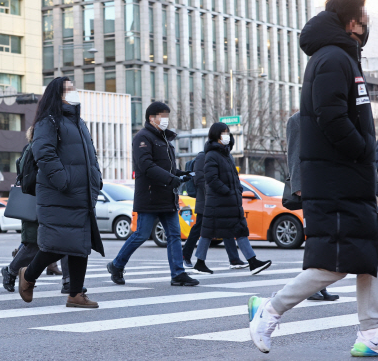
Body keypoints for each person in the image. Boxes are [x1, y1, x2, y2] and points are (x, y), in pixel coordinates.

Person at [249, 0, 378, 355]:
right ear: (352, 23)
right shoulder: (333, 59)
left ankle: (371, 334)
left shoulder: (341, 58)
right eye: (365, 18)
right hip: (336, 179)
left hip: (348, 178)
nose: (368, 23)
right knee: (334, 264)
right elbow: (332, 117)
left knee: (368, 254)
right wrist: (365, 149)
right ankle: (269, 310)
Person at [18, 77, 104, 308]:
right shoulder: (48, 121)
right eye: (67, 90)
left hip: (82, 193)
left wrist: (96, 179)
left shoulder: (79, 123)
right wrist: (62, 181)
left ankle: (75, 293)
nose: (72, 93)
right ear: (56, 95)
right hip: (60, 193)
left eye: (73, 89)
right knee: (57, 243)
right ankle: (27, 276)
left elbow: (91, 156)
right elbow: (43, 153)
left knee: (80, 244)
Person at [107, 102, 199, 287]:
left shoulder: (164, 138)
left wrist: (180, 174)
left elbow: (168, 166)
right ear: (151, 118)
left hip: (167, 195)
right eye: (162, 115)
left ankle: (178, 274)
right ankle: (117, 265)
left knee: (174, 234)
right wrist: (171, 179)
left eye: (167, 115)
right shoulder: (142, 137)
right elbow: (146, 166)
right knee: (141, 234)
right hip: (149, 195)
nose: (166, 119)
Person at [191, 123, 271, 275]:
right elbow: (211, 179)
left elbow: (234, 177)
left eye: (227, 132)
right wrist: (227, 192)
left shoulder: (226, 155)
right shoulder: (212, 155)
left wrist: (238, 190)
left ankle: (252, 262)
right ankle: (200, 263)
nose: (226, 135)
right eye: (223, 132)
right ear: (216, 135)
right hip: (218, 202)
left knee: (239, 230)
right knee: (208, 232)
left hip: (230, 202)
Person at [1, 127, 74, 294]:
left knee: (67, 241)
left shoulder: (47, 148)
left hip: (50, 200)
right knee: (33, 244)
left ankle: (69, 281)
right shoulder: (34, 149)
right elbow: (30, 178)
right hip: (36, 202)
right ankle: (11, 271)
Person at [286, 111, 339, 301]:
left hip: (328, 188)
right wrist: (299, 188)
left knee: (326, 238)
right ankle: (311, 287)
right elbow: (293, 154)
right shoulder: (297, 120)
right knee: (315, 239)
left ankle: (320, 284)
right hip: (310, 188)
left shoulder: (326, 117)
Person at [182, 150, 247, 270]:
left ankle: (234, 259)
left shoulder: (225, 156)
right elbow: (200, 179)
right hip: (206, 201)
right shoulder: (203, 156)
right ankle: (185, 255)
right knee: (199, 228)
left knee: (227, 227)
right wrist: (213, 194)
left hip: (221, 200)